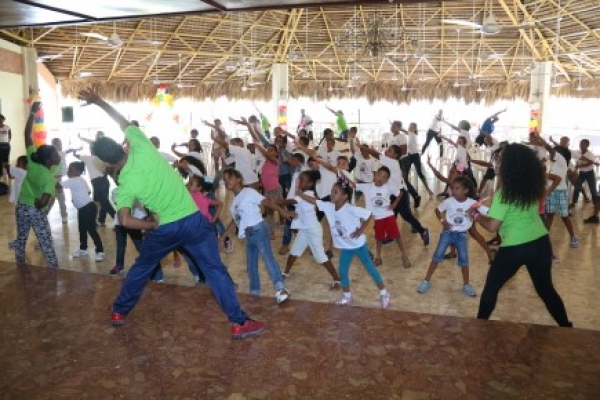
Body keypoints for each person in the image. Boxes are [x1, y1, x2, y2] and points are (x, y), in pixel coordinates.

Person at [78, 89, 264, 339]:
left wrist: (150, 226)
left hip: (164, 229)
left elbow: (123, 220)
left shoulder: (124, 184)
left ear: (104, 162)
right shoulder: (141, 145)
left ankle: (119, 311)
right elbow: (122, 120)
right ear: (121, 143)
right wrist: (98, 101)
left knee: (142, 268)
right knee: (214, 270)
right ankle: (238, 322)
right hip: (193, 221)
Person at [471, 143, 572, 328]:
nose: (497, 164)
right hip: (540, 243)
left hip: (514, 248)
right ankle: (566, 327)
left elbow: (492, 226)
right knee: (546, 290)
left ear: (508, 166)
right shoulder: (532, 188)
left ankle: (480, 328)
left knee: (491, 288)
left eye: (500, 161)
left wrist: (477, 216)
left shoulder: (504, 193)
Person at [299, 179, 391, 308]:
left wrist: (361, 230)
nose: (332, 194)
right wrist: (301, 195)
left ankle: (384, 293)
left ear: (344, 196)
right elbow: (314, 201)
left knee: (370, 269)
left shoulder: (350, 209)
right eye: (332, 191)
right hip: (345, 247)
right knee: (342, 271)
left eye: (335, 192)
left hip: (359, 246)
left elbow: (368, 214)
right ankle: (347, 297)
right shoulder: (329, 206)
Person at [220, 169, 293, 303]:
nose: (226, 181)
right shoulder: (234, 202)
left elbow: (266, 202)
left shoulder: (248, 192)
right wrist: (224, 235)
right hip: (248, 235)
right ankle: (254, 290)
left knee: (267, 258)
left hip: (259, 229)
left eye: (229, 178)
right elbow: (235, 220)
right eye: (224, 179)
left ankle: (281, 288)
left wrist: (282, 212)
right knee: (251, 264)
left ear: (239, 179)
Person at [417, 176, 486, 297]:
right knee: (437, 256)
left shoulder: (472, 203)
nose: (453, 191)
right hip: (447, 234)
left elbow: (486, 211)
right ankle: (426, 281)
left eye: (457, 188)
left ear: (465, 190)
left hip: (462, 236)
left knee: (464, 260)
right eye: (452, 188)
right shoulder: (448, 201)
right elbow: (437, 211)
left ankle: (466, 285)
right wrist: (443, 221)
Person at [14, 102, 61, 269]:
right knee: (45, 241)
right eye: (56, 154)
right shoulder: (48, 178)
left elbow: (27, 134)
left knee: (21, 237)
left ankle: (20, 263)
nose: (58, 155)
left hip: (21, 207)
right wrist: (37, 203)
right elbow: (42, 202)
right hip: (35, 211)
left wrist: (33, 112)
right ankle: (54, 268)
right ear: (49, 160)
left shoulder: (32, 162)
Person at [279, 170, 341, 288]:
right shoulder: (302, 194)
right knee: (294, 251)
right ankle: (286, 272)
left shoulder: (309, 195)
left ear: (310, 183)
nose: (299, 181)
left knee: (320, 256)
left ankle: (337, 279)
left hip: (313, 230)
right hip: (304, 229)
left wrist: (279, 201)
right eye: (299, 178)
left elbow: (292, 201)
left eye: (302, 180)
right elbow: (297, 206)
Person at [362, 143, 430, 246]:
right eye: (388, 149)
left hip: (401, 194)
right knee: (391, 215)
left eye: (390, 151)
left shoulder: (392, 162)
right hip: (393, 194)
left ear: (396, 155)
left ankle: (423, 231)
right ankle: (390, 236)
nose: (387, 151)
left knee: (407, 216)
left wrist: (362, 147)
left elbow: (375, 154)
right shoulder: (391, 162)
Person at [354, 166, 411, 268]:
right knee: (379, 238)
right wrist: (341, 174)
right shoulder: (368, 187)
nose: (381, 178)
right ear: (375, 175)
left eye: (384, 177)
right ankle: (378, 257)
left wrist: (394, 204)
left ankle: (404, 255)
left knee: (397, 235)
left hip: (388, 215)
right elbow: (354, 185)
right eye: (379, 175)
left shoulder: (388, 187)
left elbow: (400, 193)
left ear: (387, 180)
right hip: (378, 218)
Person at [531, 132, 579, 248]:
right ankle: (544, 237)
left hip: (559, 192)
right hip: (552, 191)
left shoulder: (561, 160)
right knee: (550, 214)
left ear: (559, 154)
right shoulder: (555, 163)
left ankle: (573, 237)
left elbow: (556, 178)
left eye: (554, 152)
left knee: (564, 216)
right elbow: (552, 176)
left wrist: (539, 138)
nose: (551, 154)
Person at [60, 161, 105, 261]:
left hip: (87, 208)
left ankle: (100, 251)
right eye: (68, 170)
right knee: (82, 229)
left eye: (71, 170)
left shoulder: (74, 180)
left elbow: (58, 186)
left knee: (91, 230)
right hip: (85, 208)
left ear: (78, 172)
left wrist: (51, 178)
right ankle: (83, 249)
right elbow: (88, 191)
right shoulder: (81, 179)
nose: (68, 172)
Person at [73, 146, 115, 227]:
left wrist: (74, 151)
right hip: (104, 181)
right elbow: (109, 166)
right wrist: (105, 175)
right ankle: (101, 220)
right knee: (102, 202)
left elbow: (76, 156)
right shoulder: (102, 158)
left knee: (104, 203)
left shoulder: (88, 158)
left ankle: (118, 221)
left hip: (97, 183)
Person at [404, 122, 434, 198]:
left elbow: (405, 132)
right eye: (409, 126)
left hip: (415, 156)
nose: (409, 128)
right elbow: (405, 131)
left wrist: (400, 128)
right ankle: (405, 190)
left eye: (411, 127)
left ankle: (428, 190)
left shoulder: (413, 135)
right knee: (405, 173)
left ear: (414, 129)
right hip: (410, 155)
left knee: (419, 173)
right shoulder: (410, 134)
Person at [48, 138, 72, 224]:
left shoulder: (61, 153)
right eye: (58, 144)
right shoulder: (52, 156)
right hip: (53, 181)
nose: (60, 145)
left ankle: (64, 216)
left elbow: (67, 151)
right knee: (51, 199)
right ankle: (45, 214)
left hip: (59, 180)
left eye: (60, 144)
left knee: (61, 199)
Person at [7, 156, 27, 250]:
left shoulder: (21, 172)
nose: (16, 164)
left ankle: (19, 242)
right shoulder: (24, 172)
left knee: (21, 224)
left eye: (18, 163)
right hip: (22, 202)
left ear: (23, 164)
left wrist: (4, 162)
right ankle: (19, 241)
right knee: (22, 224)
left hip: (21, 203)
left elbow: (8, 167)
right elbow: (10, 176)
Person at [570, 139, 597, 211]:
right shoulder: (578, 152)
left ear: (587, 146)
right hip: (581, 173)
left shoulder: (590, 154)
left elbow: (590, 163)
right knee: (577, 187)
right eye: (580, 144)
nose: (581, 145)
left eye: (583, 144)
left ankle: (596, 204)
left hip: (589, 173)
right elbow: (577, 163)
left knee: (593, 189)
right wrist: (575, 169)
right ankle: (573, 202)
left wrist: (579, 166)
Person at [0, 113, 12, 179]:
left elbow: (10, 135)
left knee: (6, 160)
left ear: (3, 120)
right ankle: (1, 174)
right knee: (0, 160)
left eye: (1, 119)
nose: (0, 120)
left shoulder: (7, 127)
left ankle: (9, 173)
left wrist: (8, 142)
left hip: (6, 145)